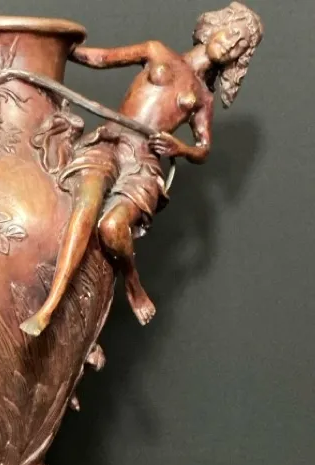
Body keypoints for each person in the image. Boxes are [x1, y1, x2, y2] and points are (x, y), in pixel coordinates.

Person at [19, 2, 263, 337]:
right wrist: (57, 48)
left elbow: (204, 148)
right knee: (86, 204)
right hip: (110, 141)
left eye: (240, 45)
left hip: (144, 163)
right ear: (215, 25)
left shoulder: (203, 99)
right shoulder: (156, 51)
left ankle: (132, 281)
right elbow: (101, 58)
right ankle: (49, 307)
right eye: (232, 33)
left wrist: (181, 148)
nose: (231, 44)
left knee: (112, 227)